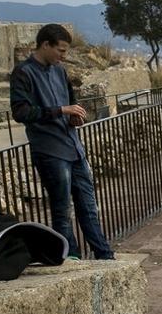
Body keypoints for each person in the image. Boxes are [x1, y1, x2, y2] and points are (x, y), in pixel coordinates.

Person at [10, 24, 114, 260]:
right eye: (61, 50)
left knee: (88, 206)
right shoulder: (23, 72)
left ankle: (104, 255)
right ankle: (71, 257)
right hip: (49, 150)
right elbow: (21, 112)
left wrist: (75, 116)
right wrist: (60, 110)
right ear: (45, 45)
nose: (64, 56)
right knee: (61, 209)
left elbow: (71, 101)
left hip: (73, 146)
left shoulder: (59, 71)